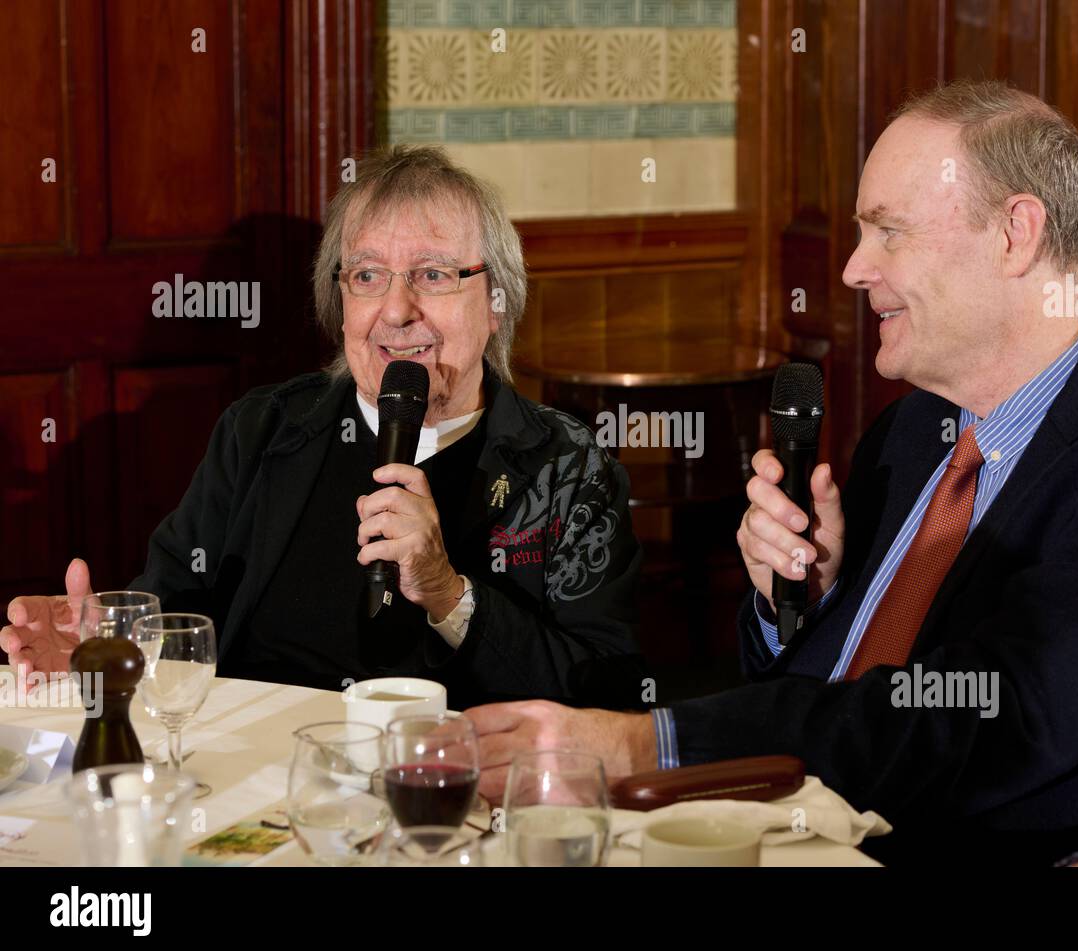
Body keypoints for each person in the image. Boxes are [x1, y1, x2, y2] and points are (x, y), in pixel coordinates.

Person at [463, 79, 1078, 864]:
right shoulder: (916, 425)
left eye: (889, 231)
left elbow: (996, 712)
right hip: (793, 822)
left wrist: (654, 741)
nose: (855, 268)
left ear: (1015, 233)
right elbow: (821, 682)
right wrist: (798, 599)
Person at [2, 146, 645, 710]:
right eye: (367, 276)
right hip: (260, 784)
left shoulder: (566, 468)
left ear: (497, 298)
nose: (396, 311)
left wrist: (450, 595)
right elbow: (173, 608)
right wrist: (106, 653)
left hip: (457, 793)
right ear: (340, 302)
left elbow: (608, 691)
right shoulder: (263, 430)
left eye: (434, 275)